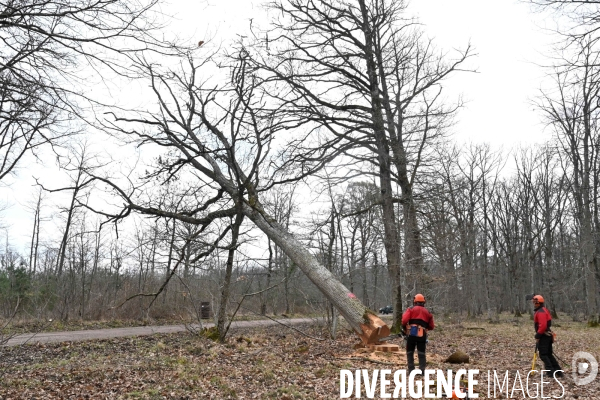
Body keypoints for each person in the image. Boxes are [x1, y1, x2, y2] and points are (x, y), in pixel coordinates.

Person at [402, 293, 434, 372]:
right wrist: (425, 328)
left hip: (411, 333)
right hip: (422, 334)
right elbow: (432, 326)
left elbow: (404, 321)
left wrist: (405, 327)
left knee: (410, 352)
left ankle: (411, 369)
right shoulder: (428, 312)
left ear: (415, 301)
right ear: (423, 302)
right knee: (421, 352)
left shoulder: (410, 309)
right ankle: (422, 370)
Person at [532, 295, 563, 377]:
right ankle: (558, 372)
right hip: (546, 335)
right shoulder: (542, 310)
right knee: (548, 354)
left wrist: (538, 335)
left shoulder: (541, 311)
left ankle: (551, 373)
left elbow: (543, 325)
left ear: (538, 303)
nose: (533, 303)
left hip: (544, 335)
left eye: (535, 302)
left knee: (544, 355)